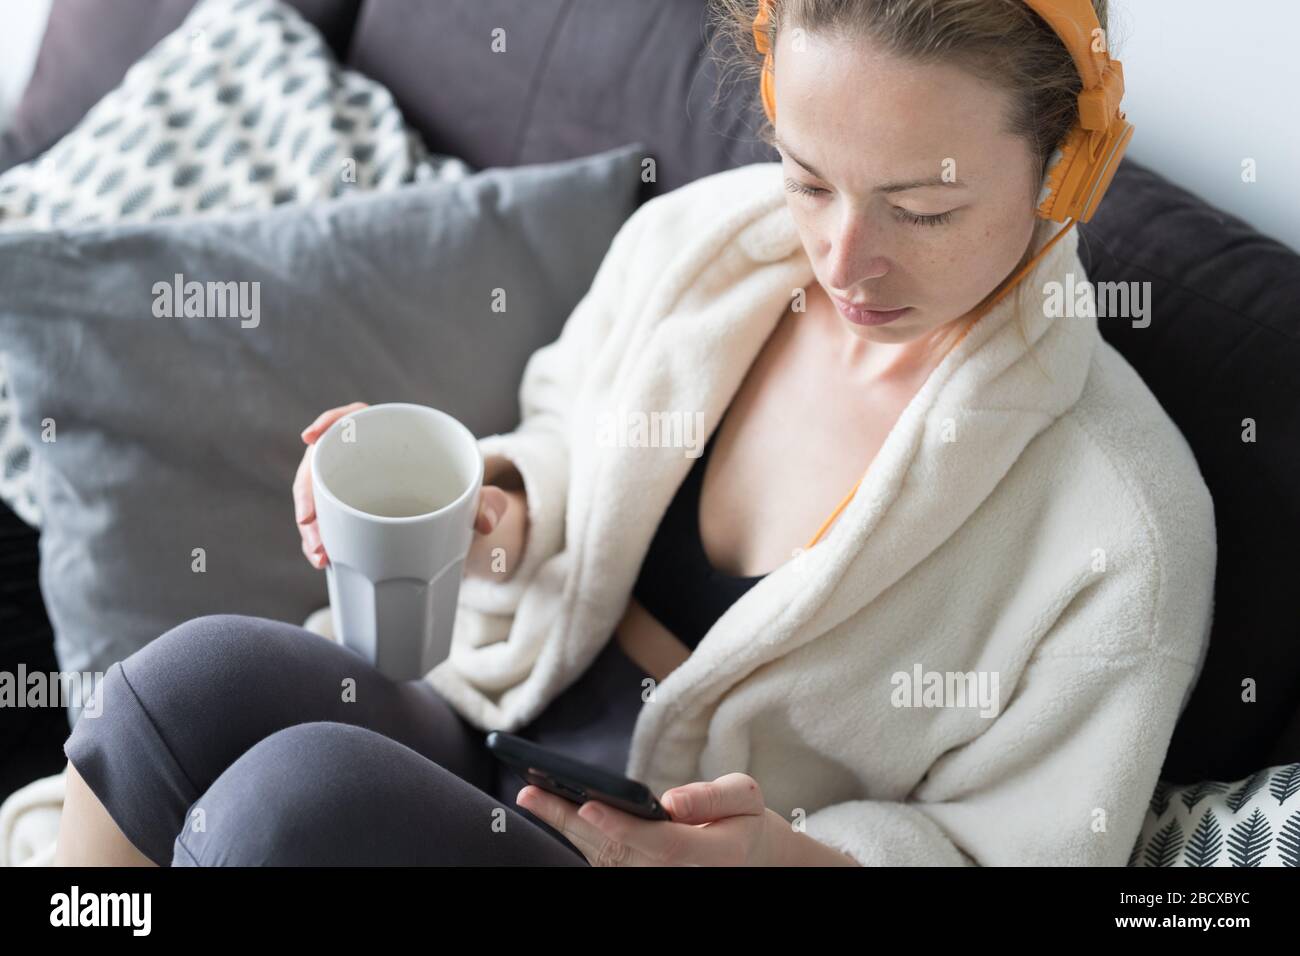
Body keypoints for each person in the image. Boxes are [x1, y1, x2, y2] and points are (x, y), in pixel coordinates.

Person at [55, 0, 1215, 866]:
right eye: (810, 179)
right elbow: (565, 437)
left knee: (289, 808)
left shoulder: (1122, 522)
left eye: (920, 210)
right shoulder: (704, 245)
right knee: (171, 688)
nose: (843, 259)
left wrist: (781, 859)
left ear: (1068, 171)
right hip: (505, 721)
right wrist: (493, 514)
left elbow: (1022, 850)